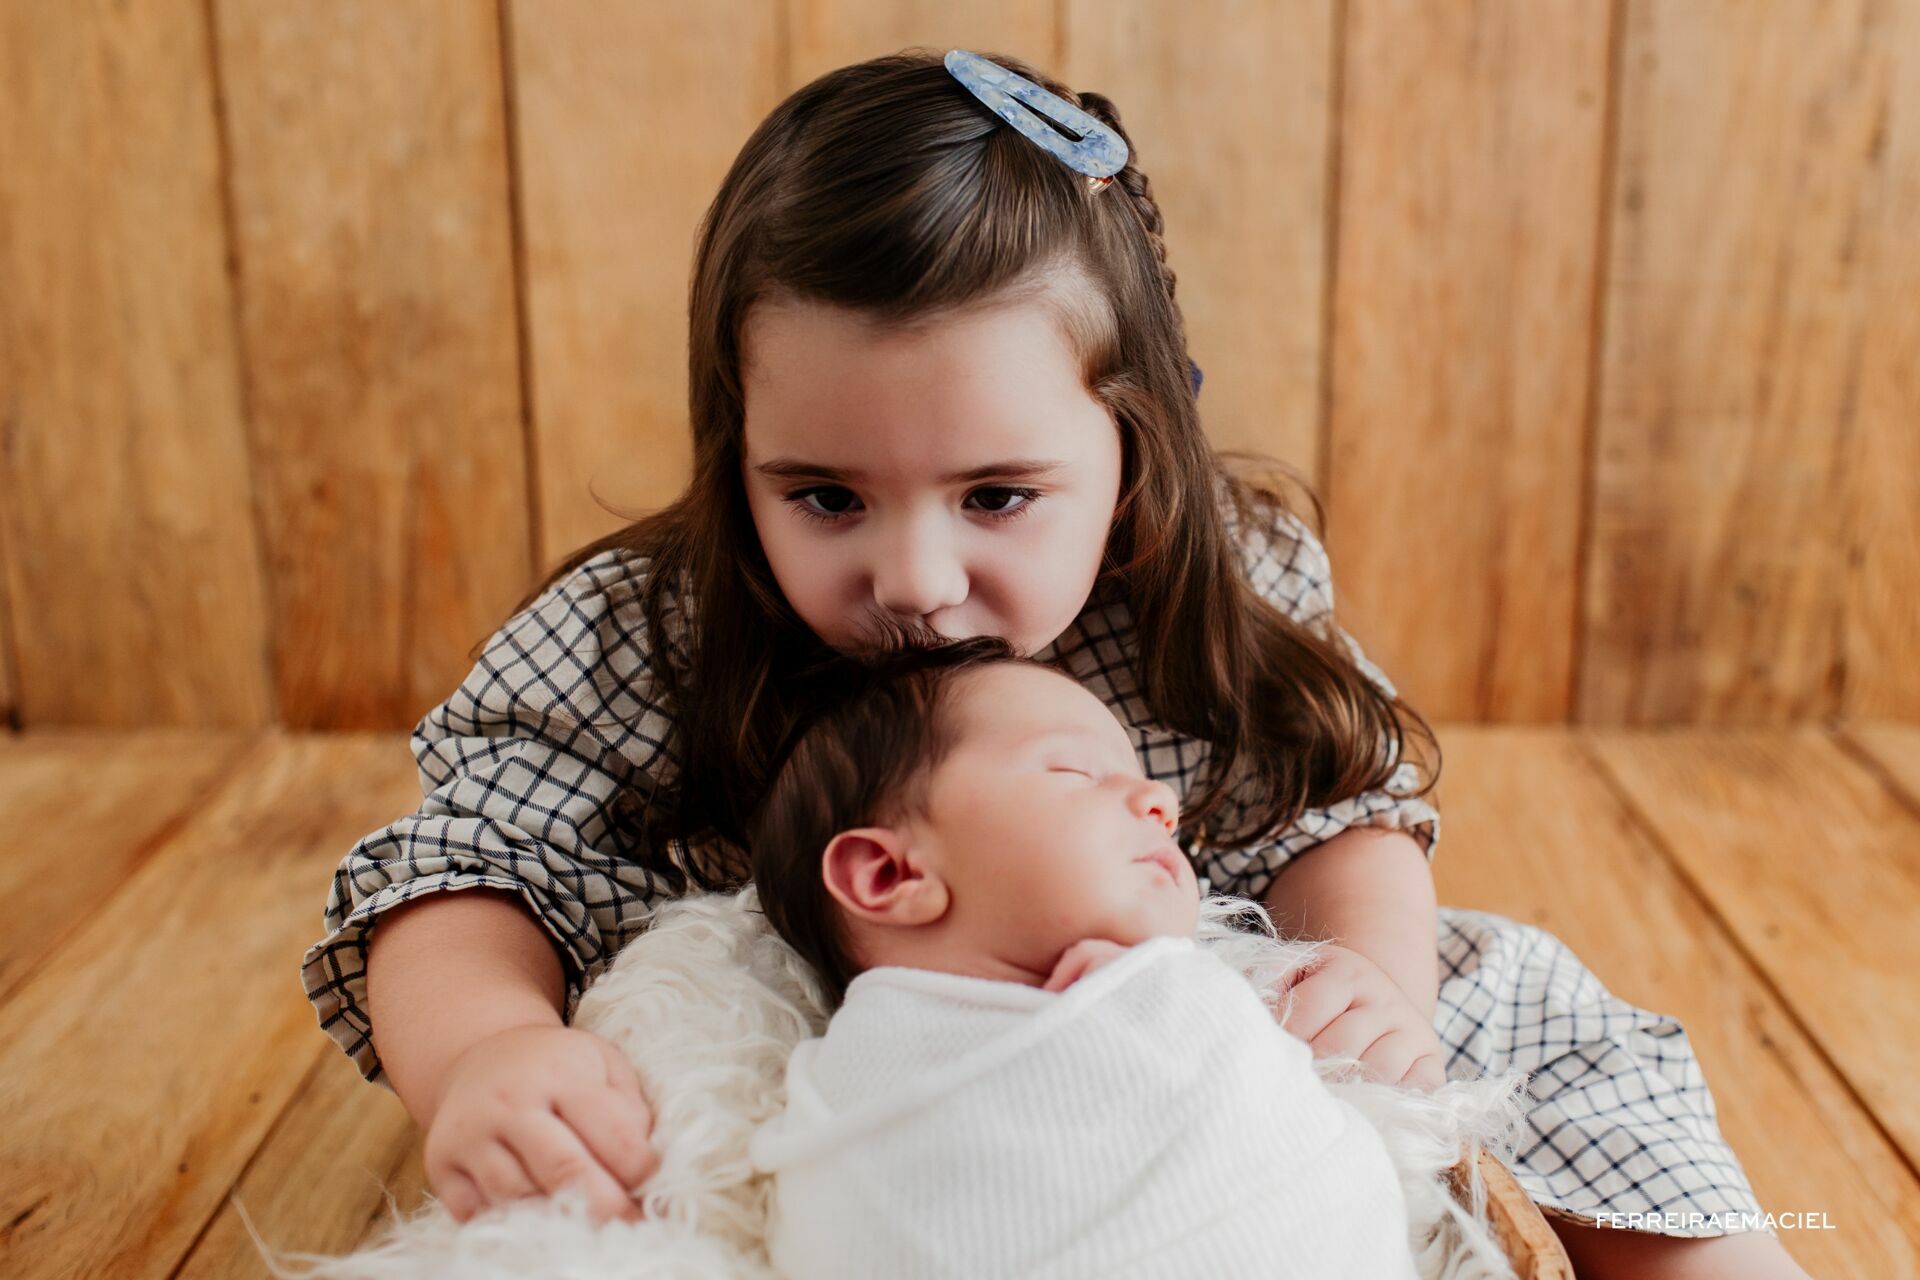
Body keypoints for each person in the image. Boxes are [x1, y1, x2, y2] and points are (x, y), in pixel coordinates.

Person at [300, 48, 1810, 1278]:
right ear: (736, 443)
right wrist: (488, 1053)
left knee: (1519, 998)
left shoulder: (1202, 581)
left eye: (997, 496)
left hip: (1165, 983)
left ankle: (1699, 1261)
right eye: (822, 494)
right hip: (811, 1014)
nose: (914, 578)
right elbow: (463, 864)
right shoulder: (657, 622)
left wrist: (1368, 981)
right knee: (626, 1178)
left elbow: (1340, 812)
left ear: (1130, 447)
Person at [740, 635, 1418, 1278]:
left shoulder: (1210, 1002)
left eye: (1147, 782)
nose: (1163, 803)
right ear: (891, 875)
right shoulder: (843, 1087)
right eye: (1076, 771)